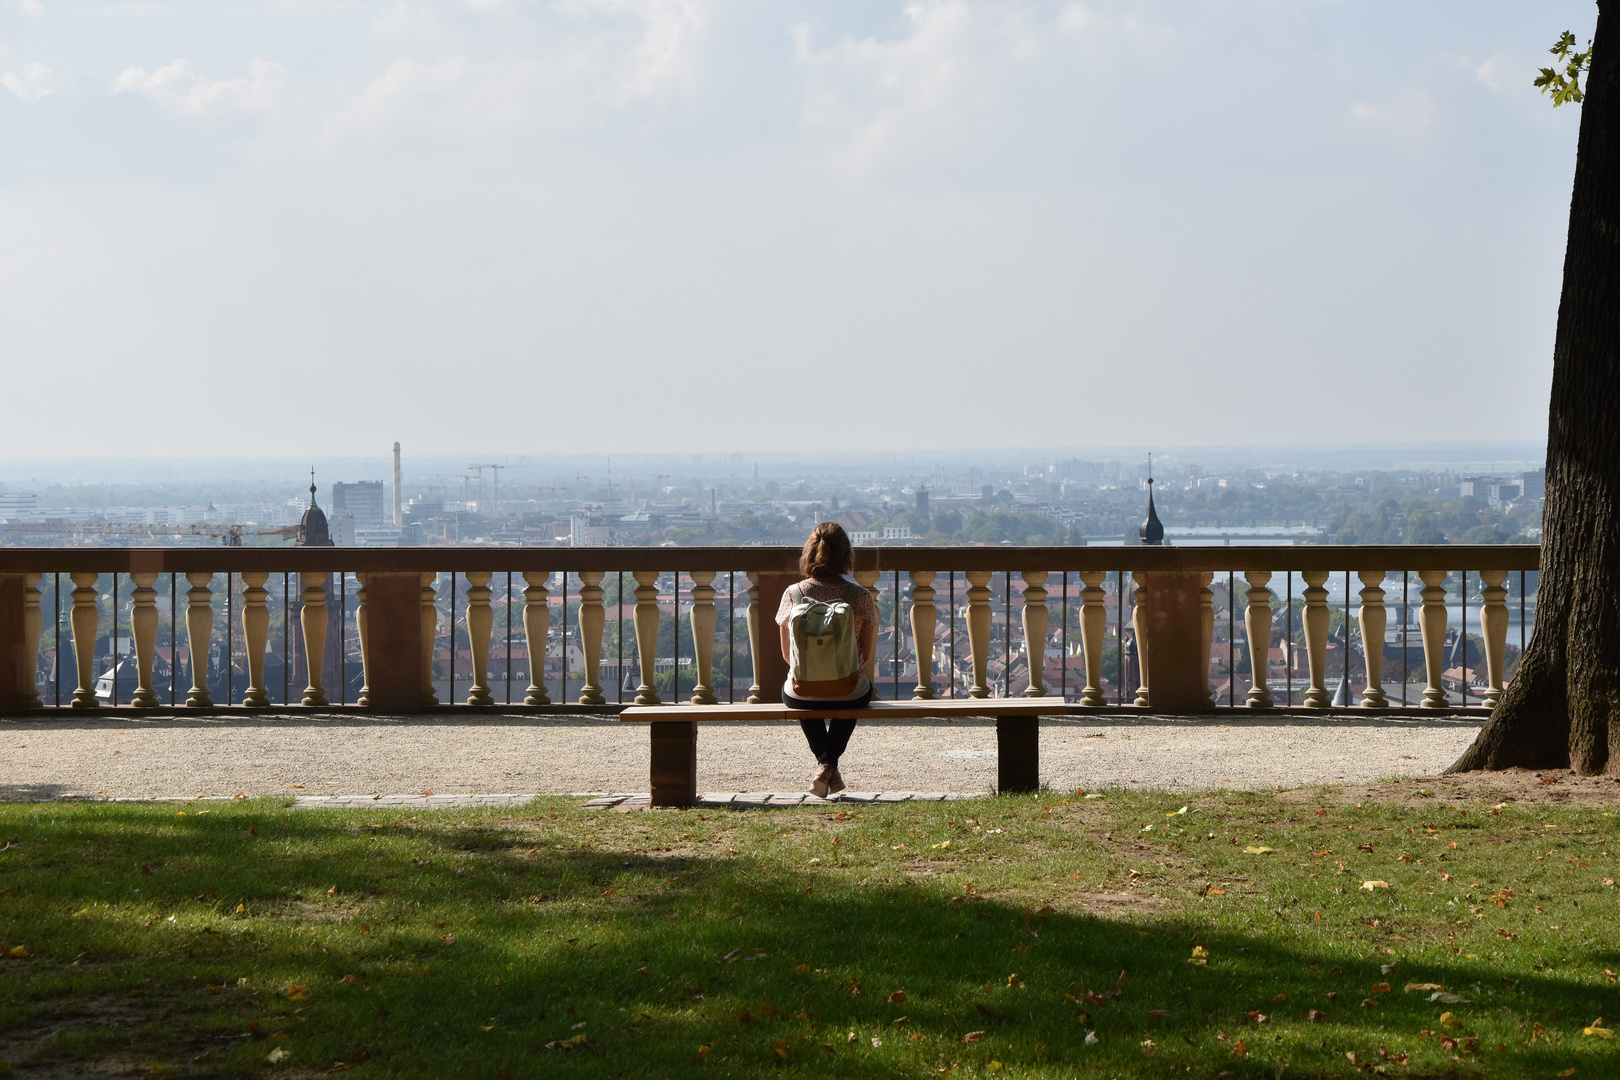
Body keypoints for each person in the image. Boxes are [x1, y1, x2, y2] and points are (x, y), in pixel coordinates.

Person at [776, 522, 878, 797]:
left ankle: (824, 764)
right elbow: (864, 656)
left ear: (809, 554)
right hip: (848, 690)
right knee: (857, 689)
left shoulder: (793, 594)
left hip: (802, 694)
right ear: (847, 556)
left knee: (801, 692)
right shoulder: (860, 597)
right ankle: (827, 765)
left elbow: (788, 656)